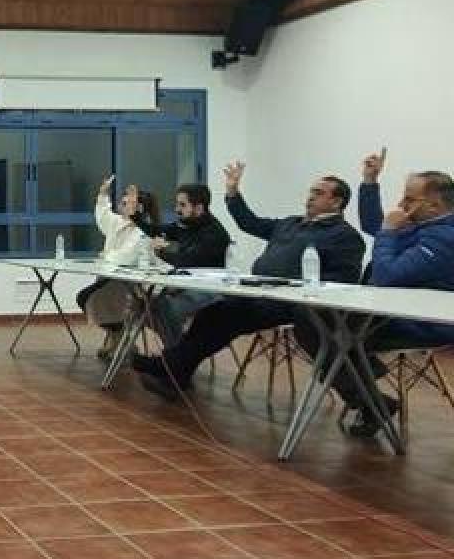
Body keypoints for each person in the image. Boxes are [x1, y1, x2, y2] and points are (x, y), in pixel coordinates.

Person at [132, 162, 366, 400]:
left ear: (337, 202)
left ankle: (168, 366)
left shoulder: (344, 236)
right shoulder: (290, 223)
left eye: (318, 193)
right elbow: (249, 222)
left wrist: (300, 289)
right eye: (311, 191)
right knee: (210, 314)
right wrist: (233, 192)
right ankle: (176, 373)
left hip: (290, 303)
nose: (310, 197)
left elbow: (343, 281)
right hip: (258, 292)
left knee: (227, 317)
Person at [324, 150, 454, 437]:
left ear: (434, 205)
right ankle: (372, 398)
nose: (401, 205)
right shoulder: (424, 225)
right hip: (388, 314)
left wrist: (387, 232)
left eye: (409, 199)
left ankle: (370, 400)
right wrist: (370, 182)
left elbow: (386, 276)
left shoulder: (445, 237)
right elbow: (375, 225)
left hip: (421, 324)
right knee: (315, 322)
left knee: (323, 331)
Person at [77, 176, 159, 359]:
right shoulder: (119, 222)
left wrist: (105, 256)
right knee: (86, 298)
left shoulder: (144, 230)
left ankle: (120, 338)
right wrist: (103, 194)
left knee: (91, 298)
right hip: (112, 280)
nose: (120, 206)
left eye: (125, 203)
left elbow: (126, 257)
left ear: (139, 209)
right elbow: (103, 217)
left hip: (132, 285)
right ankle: (117, 336)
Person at [146, 183, 232, 348]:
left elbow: (187, 261)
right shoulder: (187, 224)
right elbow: (156, 230)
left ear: (198, 208)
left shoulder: (215, 233)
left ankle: (177, 354)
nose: (177, 209)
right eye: (177, 204)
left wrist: (161, 252)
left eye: (182, 205)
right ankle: (180, 348)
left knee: (165, 308)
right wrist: (135, 216)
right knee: (144, 307)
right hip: (187, 285)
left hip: (210, 289)